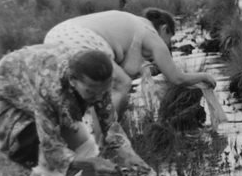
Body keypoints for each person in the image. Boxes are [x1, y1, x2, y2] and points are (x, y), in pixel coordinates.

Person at [0, 46, 152, 176]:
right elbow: (52, 150)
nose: (98, 98)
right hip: (7, 108)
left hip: (30, 87)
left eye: (103, 92)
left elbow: (109, 125)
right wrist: (92, 163)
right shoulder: (51, 89)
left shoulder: (96, 83)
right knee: (44, 161)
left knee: (87, 147)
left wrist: (129, 155)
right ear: (73, 81)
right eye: (91, 92)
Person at [44, 9, 216, 117]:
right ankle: (105, 143)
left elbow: (124, 69)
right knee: (121, 85)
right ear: (164, 29)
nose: (168, 47)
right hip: (81, 40)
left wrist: (145, 69)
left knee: (76, 97)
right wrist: (204, 77)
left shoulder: (133, 24)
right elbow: (177, 78)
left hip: (55, 36)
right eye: (169, 40)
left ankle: (81, 141)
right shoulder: (151, 35)